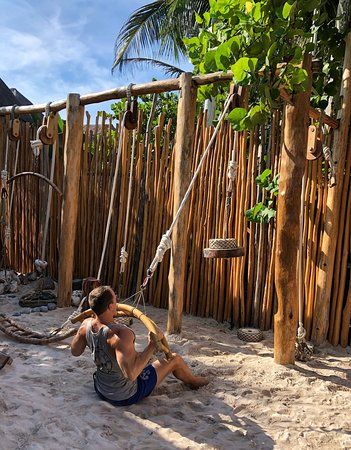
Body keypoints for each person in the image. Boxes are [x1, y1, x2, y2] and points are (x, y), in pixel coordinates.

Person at [71, 286, 208, 406]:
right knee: (175, 359)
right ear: (110, 307)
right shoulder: (121, 334)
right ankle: (195, 382)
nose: (117, 302)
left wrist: (84, 335)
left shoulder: (86, 325)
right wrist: (152, 345)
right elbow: (132, 375)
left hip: (100, 388)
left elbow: (75, 352)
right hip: (124, 396)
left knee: (136, 358)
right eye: (115, 299)